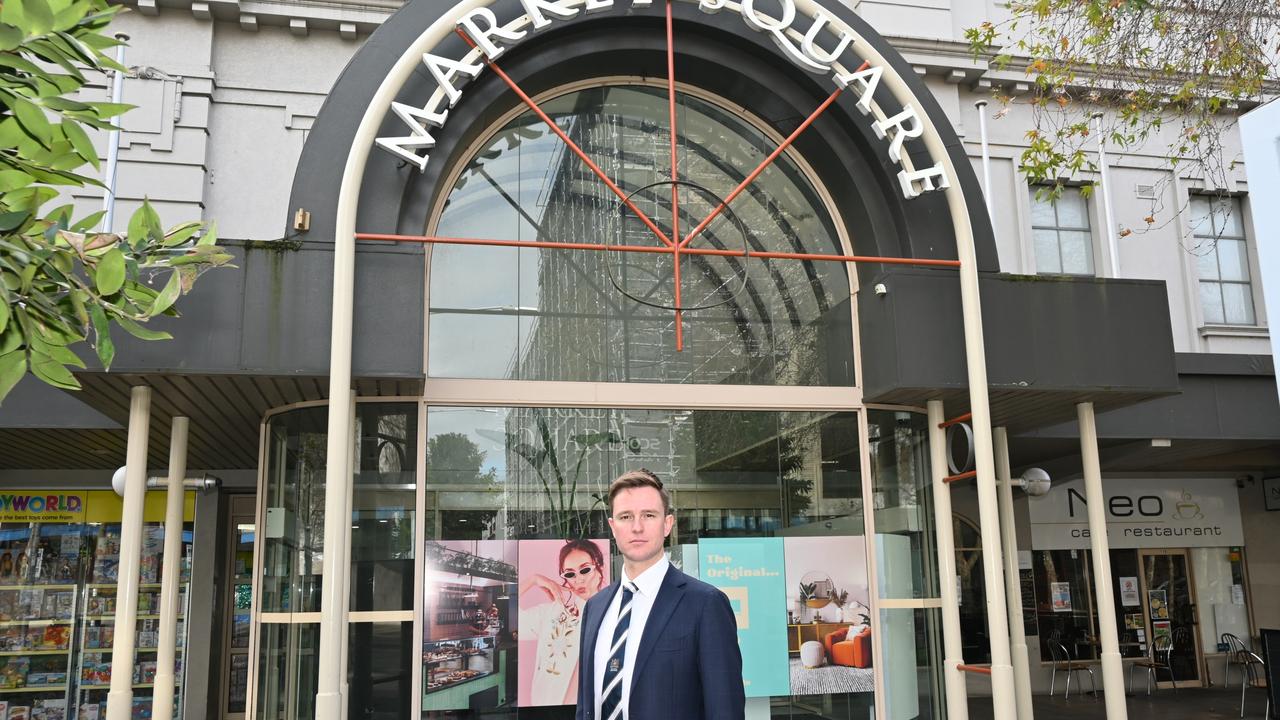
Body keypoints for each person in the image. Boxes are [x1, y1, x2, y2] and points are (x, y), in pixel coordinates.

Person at [576, 469, 744, 720]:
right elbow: (585, 707)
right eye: (625, 516)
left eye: (649, 515)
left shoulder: (705, 604)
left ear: (667, 524)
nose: (636, 527)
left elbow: (725, 710)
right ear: (612, 526)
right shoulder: (595, 607)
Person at [520, 538, 607, 705]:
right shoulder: (551, 613)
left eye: (585, 570)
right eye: (569, 574)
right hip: (542, 709)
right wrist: (534, 579)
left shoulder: (611, 614)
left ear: (599, 567)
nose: (578, 579)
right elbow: (506, 615)